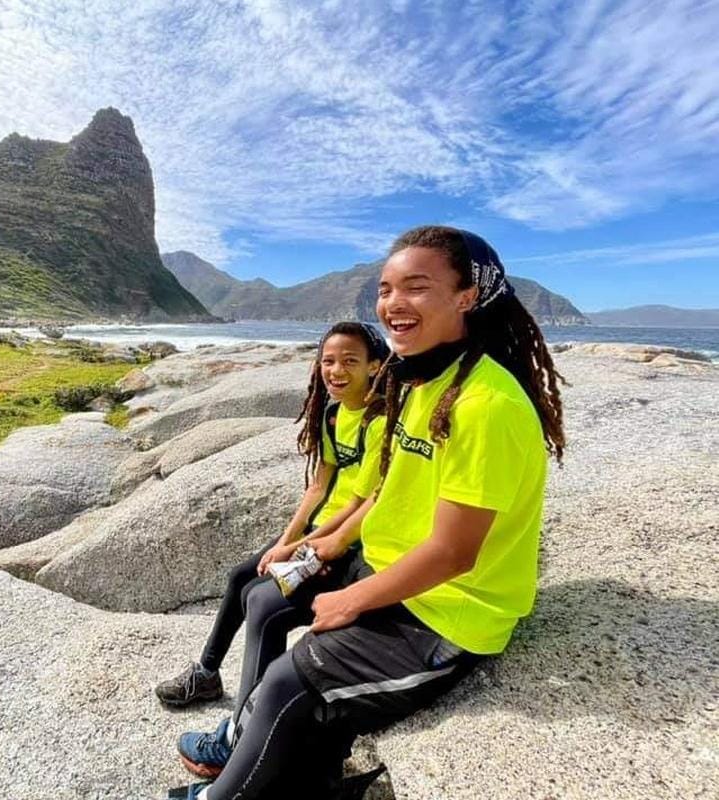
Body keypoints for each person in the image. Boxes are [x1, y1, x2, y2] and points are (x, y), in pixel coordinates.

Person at [170, 225, 565, 800]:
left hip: (447, 611)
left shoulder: (486, 405)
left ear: (467, 297)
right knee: (265, 599)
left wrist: (351, 599)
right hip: (385, 569)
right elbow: (385, 490)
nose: (393, 304)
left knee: (289, 681)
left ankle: (221, 794)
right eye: (385, 289)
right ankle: (250, 746)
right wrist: (327, 546)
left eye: (417, 287)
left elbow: (454, 553)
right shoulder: (422, 379)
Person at [155, 322, 390, 746]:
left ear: (375, 366)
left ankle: (245, 733)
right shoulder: (333, 412)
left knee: (263, 603)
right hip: (317, 530)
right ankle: (207, 674)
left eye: (349, 361)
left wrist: (299, 548)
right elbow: (319, 485)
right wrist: (285, 540)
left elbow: (360, 505)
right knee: (241, 576)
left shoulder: (379, 421)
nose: (335, 371)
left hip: (348, 540)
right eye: (328, 361)